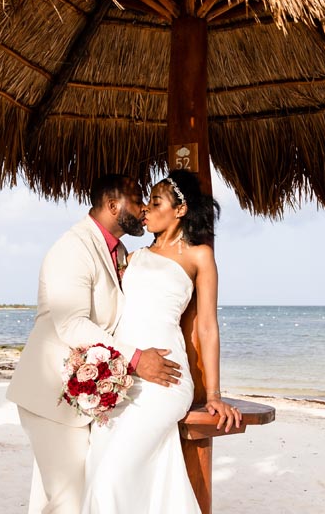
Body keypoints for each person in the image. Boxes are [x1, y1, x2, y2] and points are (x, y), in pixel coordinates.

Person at [8, 174, 183, 514]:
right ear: (113, 205)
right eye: (136, 199)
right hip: (49, 395)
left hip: (82, 398)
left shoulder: (119, 252)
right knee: (70, 501)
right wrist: (136, 359)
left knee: (59, 500)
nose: (143, 206)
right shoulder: (72, 248)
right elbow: (71, 323)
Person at [82, 170, 242, 513]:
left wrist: (213, 395)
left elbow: (207, 328)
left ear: (179, 210)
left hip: (166, 381)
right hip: (123, 379)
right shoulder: (132, 256)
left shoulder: (200, 256)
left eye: (154, 203)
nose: (145, 210)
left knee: (111, 477)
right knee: (99, 469)